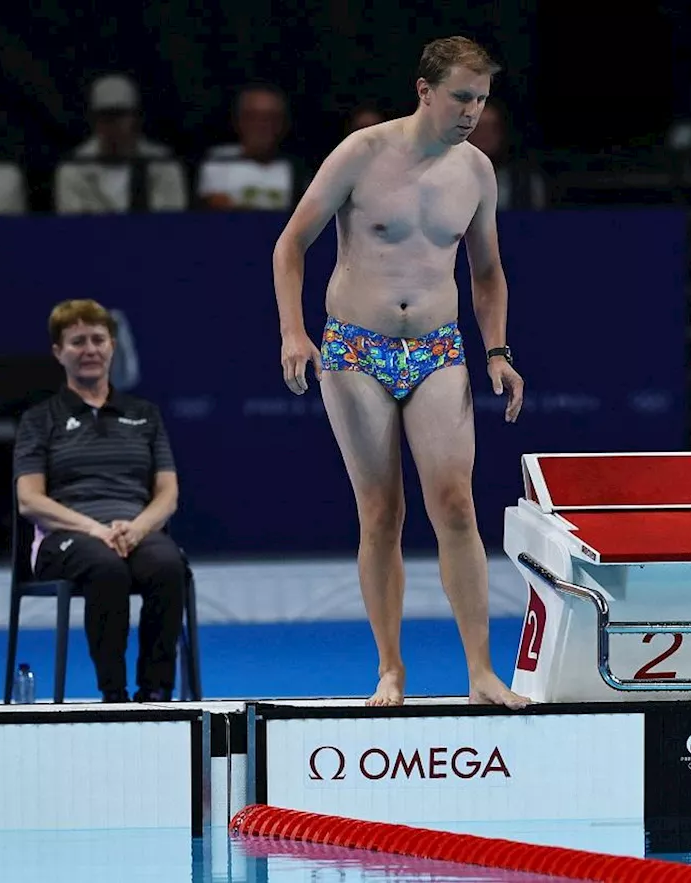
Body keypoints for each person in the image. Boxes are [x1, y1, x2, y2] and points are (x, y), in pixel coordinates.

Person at [272, 36, 527, 709]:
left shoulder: (475, 172)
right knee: (381, 510)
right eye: (461, 97)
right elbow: (290, 243)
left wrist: (497, 351)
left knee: (457, 504)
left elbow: (488, 272)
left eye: (481, 99)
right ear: (425, 91)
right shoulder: (362, 154)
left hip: (439, 349)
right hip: (356, 348)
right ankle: (391, 669)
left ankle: (480, 672)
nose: (473, 111)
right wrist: (293, 331)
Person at [13, 299, 185, 703]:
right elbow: (29, 500)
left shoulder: (144, 415)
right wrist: (94, 529)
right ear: (59, 352)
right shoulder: (40, 419)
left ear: (112, 346)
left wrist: (138, 527)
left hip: (134, 531)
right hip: (66, 538)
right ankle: (114, 694)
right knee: (106, 567)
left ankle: (156, 692)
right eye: (77, 342)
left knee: (167, 565)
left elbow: (168, 493)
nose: (89, 349)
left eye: (98, 339)